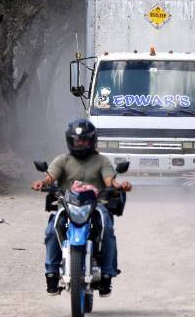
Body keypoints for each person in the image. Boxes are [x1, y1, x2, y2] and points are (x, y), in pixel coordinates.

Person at [31, 119, 132, 297]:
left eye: (84, 140)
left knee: (107, 228)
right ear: (70, 141)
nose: (81, 143)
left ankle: (107, 273)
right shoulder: (63, 160)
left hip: (96, 205)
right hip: (67, 205)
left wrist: (120, 185)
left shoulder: (101, 161)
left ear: (91, 140)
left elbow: (110, 180)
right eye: (77, 140)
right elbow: (50, 177)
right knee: (51, 230)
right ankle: (52, 273)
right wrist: (42, 182)